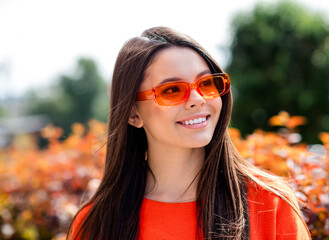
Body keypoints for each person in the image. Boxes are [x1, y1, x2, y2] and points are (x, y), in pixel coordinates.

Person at [68, 26, 311, 240]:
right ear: (133, 114)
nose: (197, 99)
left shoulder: (272, 205)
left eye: (206, 83)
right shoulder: (96, 224)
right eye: (172, 90)